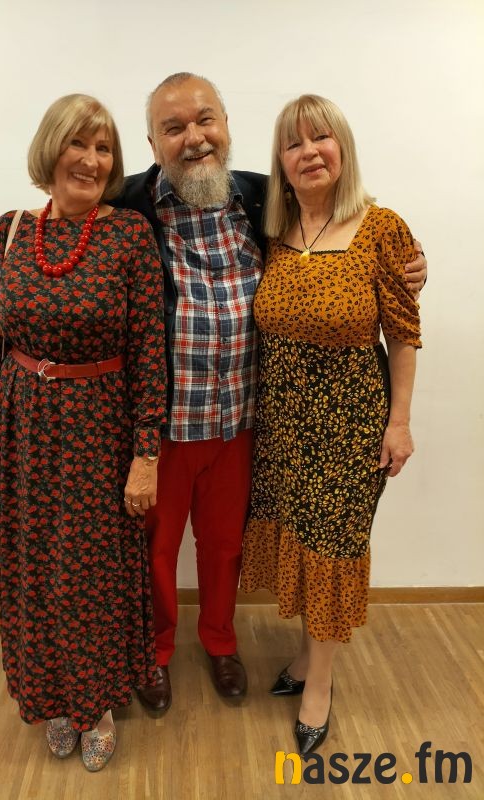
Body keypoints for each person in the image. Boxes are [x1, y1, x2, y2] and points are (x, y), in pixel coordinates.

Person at [0, 74, 428, 715]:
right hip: (165, 421)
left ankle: (220, 641)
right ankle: (154, 652)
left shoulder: (266, 197)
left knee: (224, 544)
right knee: (156, 549)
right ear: (152, 143)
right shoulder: (126, 203)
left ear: (227, 126)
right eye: (174, 127)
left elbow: (342, 229)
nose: (194, 138)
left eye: (205, 120)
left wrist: (409, 262)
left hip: (244, 414)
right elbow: (54, 233)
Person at [0, 94, 166, 771]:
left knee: (91, 575)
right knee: (33, 570)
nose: (90, 159)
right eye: (78, 143)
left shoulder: (129, 236)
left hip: (98, 429)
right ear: (50, 149)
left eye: (103, 148)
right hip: (22, 425)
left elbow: (149, 352)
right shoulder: (10, 231)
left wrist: (146, 455)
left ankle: (96, 704)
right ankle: (53, 696)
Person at [240, 94, 421, 756]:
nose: (309, 151)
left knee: (334, 550)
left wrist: (399, 423)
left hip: (350, 426)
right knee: (301, 541)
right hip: (282, 424)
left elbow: (403, 335)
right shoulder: (274, 232)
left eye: (321, 137)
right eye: (294, 143)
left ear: (343, 147)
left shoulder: (382, 228)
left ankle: (319, 684)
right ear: (280, 163)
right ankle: (303, 657)